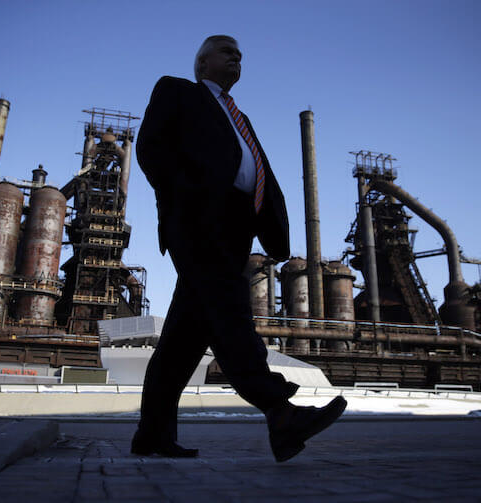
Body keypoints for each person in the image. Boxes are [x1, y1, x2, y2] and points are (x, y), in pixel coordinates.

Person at [131, 35, 347, 463]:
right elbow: (150, 147)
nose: (237, 59)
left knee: (183, 341)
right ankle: (279, 411)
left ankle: (152, 435)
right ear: (202, 62)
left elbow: (256, 169)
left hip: (235, 228)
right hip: (198, 221)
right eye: (227, 52)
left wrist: (272, 231)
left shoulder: (239, 117)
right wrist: (184, 197)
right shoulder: (176, 91)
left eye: (241, 55)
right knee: (231, 314)